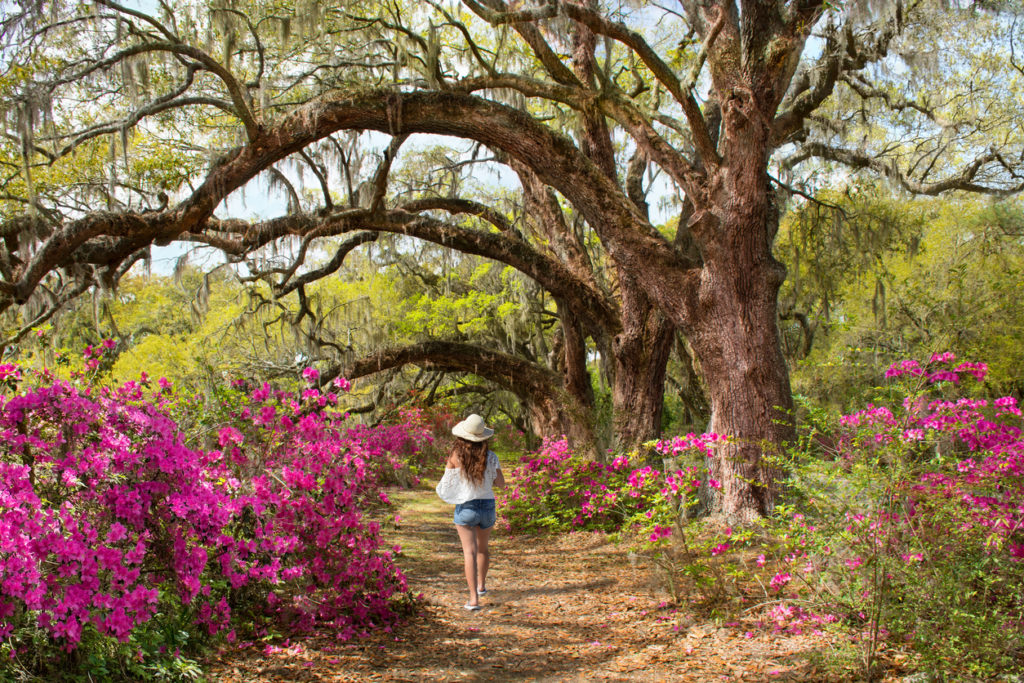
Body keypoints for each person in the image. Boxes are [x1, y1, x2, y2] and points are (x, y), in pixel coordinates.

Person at [438, 413, 506, 611]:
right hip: (487, 506)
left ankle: (473, 599)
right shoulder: (491, 457)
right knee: (483, 549)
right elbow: (501, 484)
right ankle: (482, 586)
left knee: (469, 552)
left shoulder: (456, 456)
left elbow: (446, 482)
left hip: (467, 507)